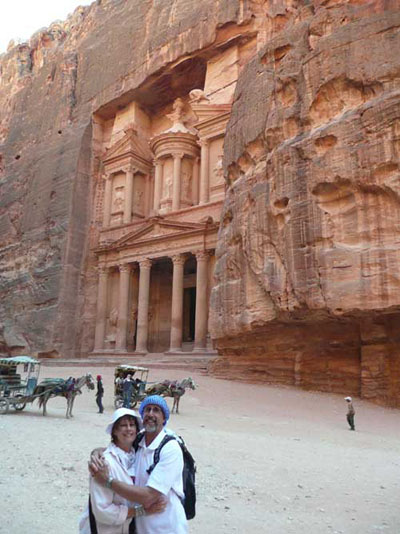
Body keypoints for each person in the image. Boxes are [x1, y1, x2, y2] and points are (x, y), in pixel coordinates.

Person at [90, 395, 187, 534]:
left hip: (167, 526)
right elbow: (119, 448)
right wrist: (97, 453)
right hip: (141, 527)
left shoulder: (170, 449)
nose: (151, 414)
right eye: (147, 409)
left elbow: (149, 496)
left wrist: (108, 481)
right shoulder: (139, 440)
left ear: (164, 418)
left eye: (156, 410)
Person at [79, 408, 164, 534]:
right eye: (123, 425)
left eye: (132, 425)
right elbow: (102, 511)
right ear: (114, 431)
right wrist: (141, 511)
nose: (129, 429)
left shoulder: (137, 455)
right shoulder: (104, 463)